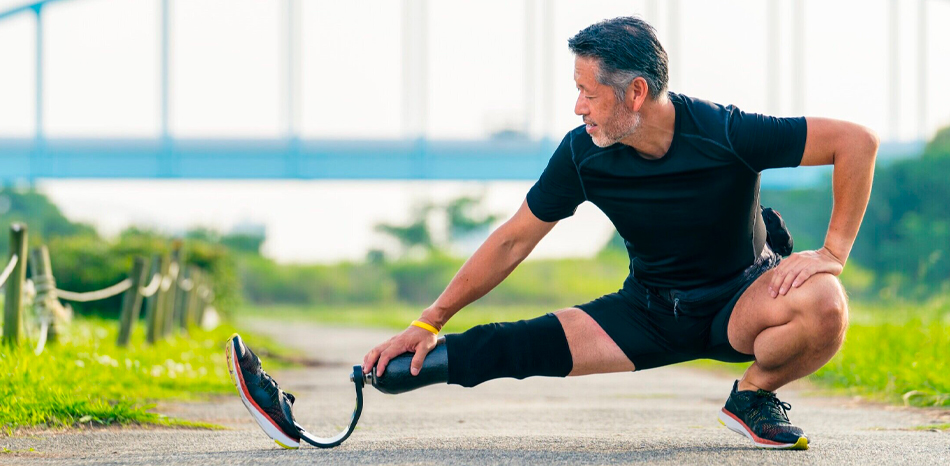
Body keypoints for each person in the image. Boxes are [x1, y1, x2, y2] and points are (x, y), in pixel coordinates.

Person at [230, 16, 877, 450]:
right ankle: (349, 391)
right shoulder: (584, 153)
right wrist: (428, 321)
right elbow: (513, 239)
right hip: (647, 312)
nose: (577, 107)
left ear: (635, 93)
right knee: (504, 349)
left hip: (742, 300)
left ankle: (754, 398)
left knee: (824, 303)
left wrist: (832, 253)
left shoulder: (726, 131)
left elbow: (856, 142)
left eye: (587, 93)